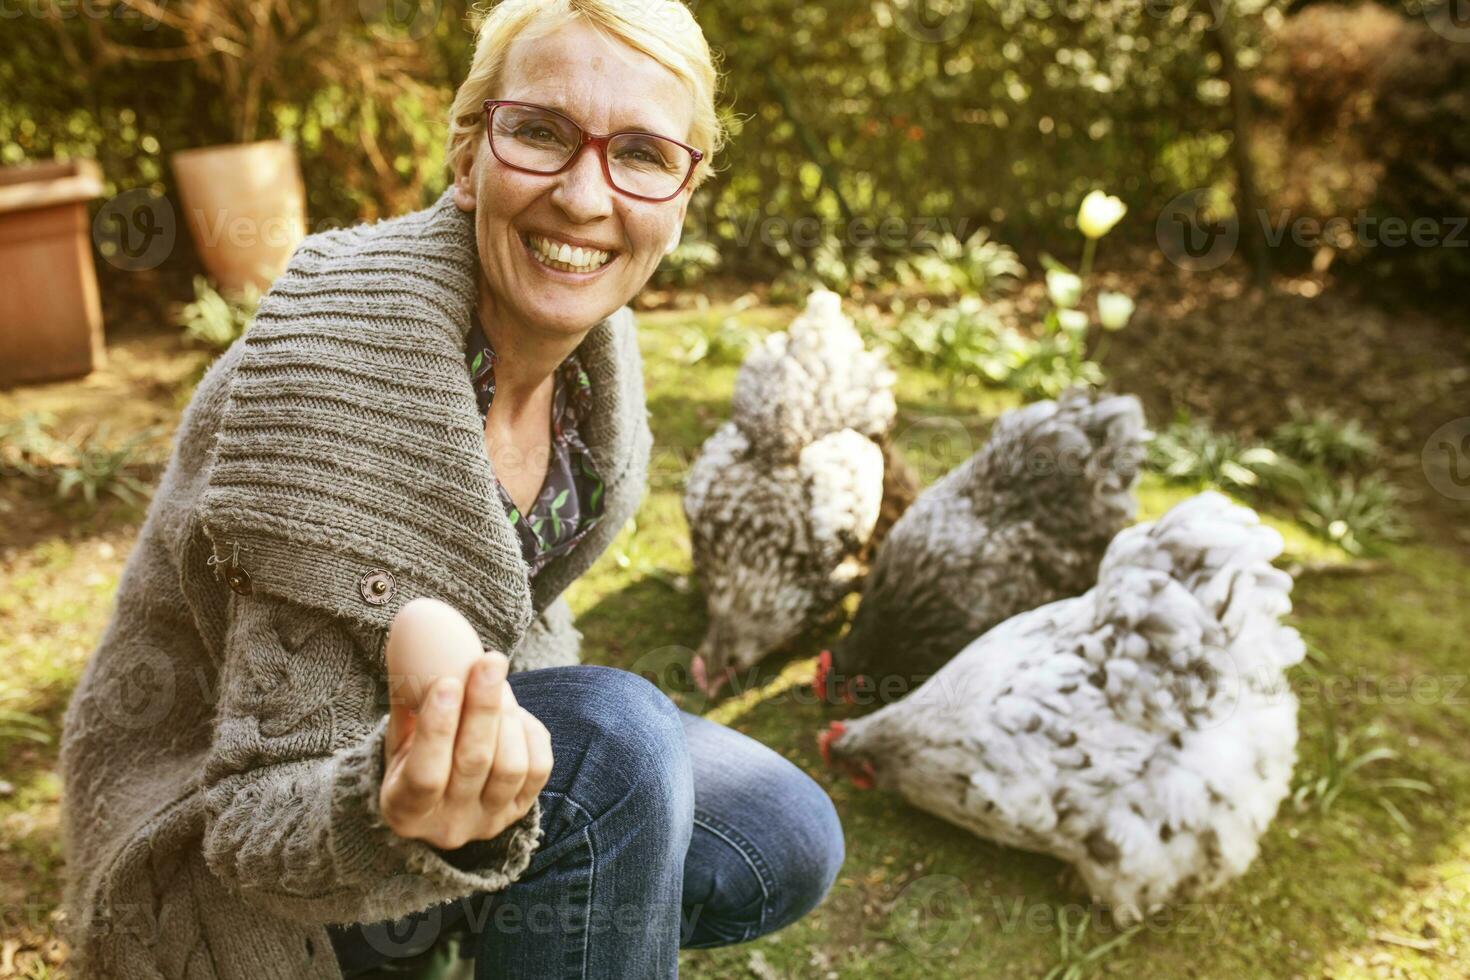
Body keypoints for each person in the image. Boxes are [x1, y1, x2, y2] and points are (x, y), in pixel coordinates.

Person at [56, 1, 845, 977]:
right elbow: (248, 827)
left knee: (779, 833)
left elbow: (514, 620)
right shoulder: (334, 374)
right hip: (229, 870)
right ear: (469, 158)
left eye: (641, 152)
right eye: (541, 133)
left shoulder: (593, 364)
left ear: (683, 194)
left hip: (412, 778)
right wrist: (403, 813)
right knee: (618, 745)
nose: (586, 197)